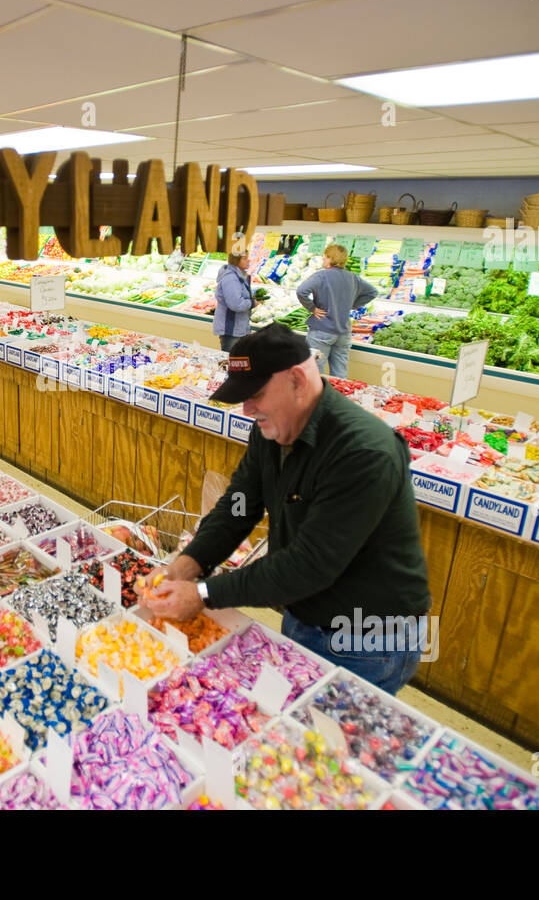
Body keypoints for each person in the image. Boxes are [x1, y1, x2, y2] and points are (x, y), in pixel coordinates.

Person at [140, 322, 431, 694]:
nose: (248, 410)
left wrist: (204, 595)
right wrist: (185, 566)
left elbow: (309, 564)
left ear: (296, 379)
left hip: (366, 637)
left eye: (256, 394)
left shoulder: (363, 452)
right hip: (305, 614)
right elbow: (239, 507)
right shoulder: (272, 431)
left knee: (329, 742)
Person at [294, 243, 377, 378]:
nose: (323, 260)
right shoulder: (353, 277)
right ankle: (338, 396)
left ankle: (320, 398)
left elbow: (301, 291)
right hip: (343, 332)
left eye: (325, 257)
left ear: (330, 258)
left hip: (322, 330)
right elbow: (372, 292)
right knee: (340, 373)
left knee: (315, 372)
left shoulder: (321, 276)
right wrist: (353, 305)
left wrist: (312, 308)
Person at [212, 238, 254, 353]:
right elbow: (236, 304)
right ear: (236, 260)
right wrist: (253, 303)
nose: (248, 261)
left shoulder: (240, 276)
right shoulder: (231, 278)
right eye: (245, 258)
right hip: (231, 329)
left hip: (239, 327)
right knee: (231, 362)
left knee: (239, 362)